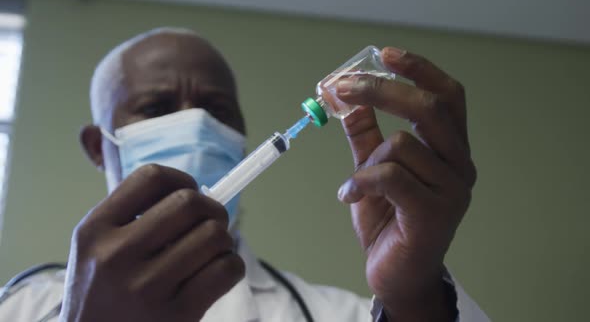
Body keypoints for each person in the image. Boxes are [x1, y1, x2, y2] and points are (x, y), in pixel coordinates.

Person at [0, 28, 490, 322]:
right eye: (155, 108)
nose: (195, 126)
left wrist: (416, 298)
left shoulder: (341, 315)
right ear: (97, 147)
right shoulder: (22, 307)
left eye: (216, 110)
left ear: (239, 139)